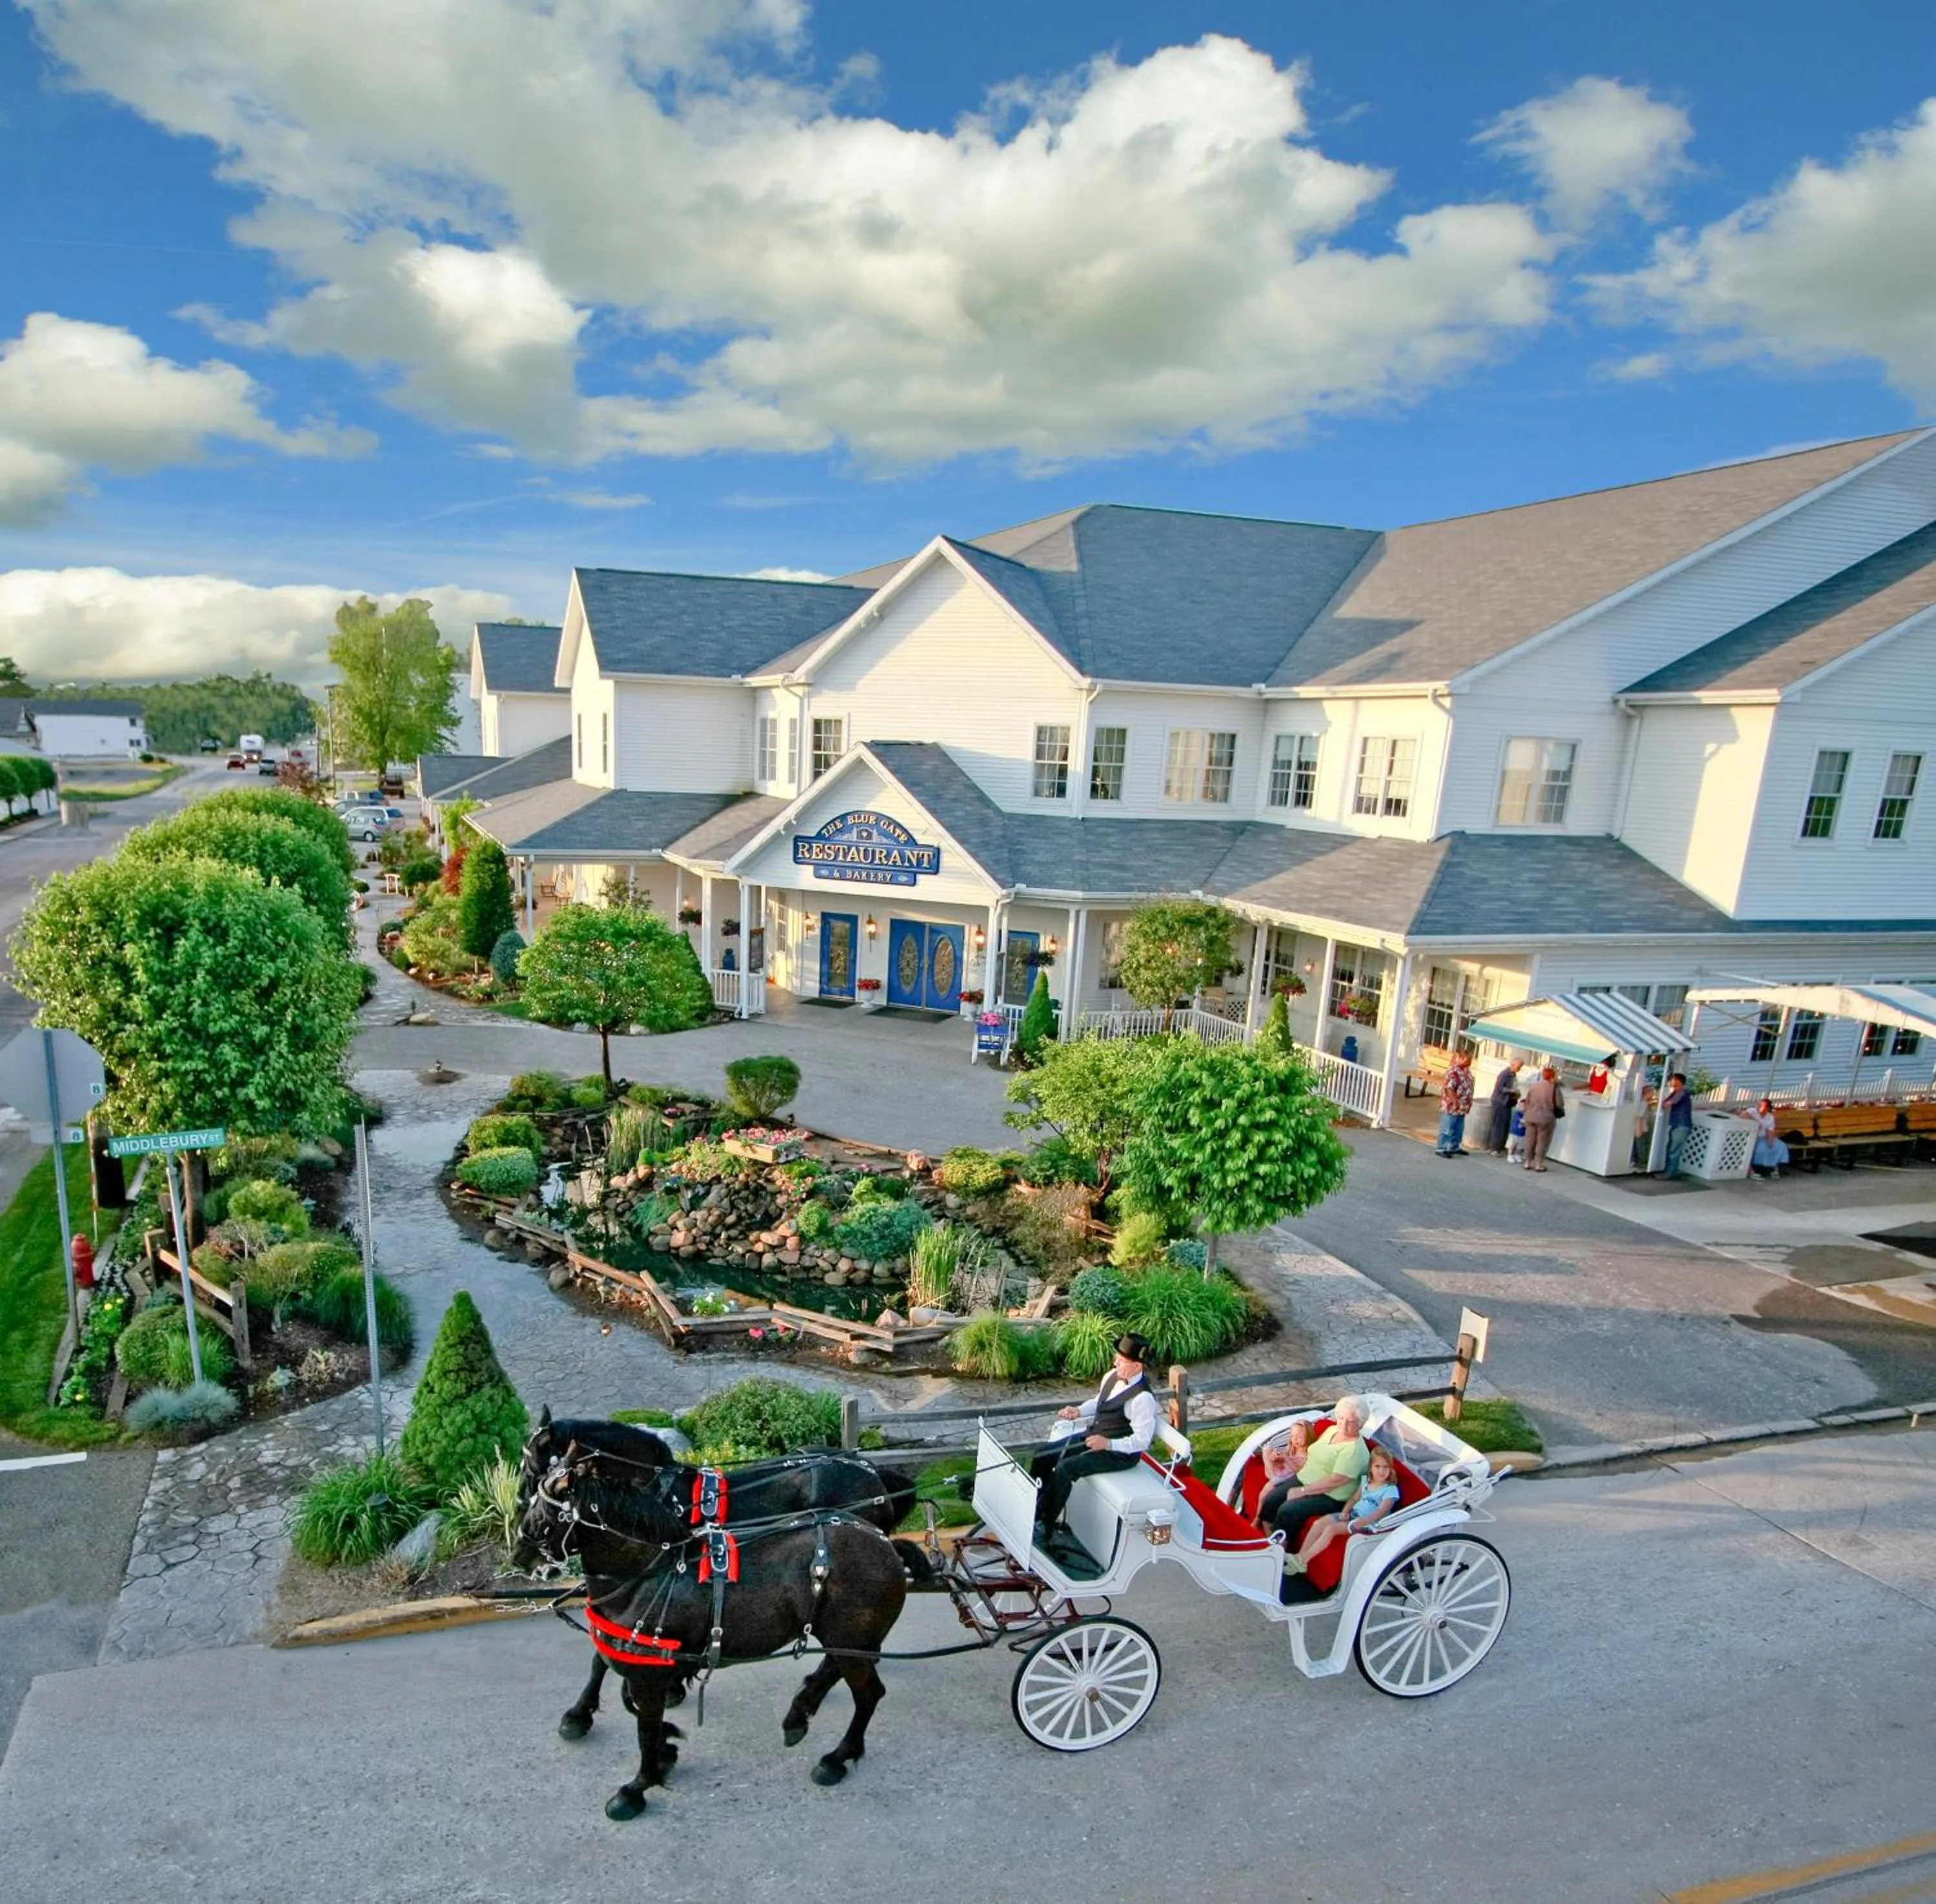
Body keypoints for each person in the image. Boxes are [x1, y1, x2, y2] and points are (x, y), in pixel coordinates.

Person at [1030, 1333, 1156, 1542]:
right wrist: (1078, 1411)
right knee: (1042, 1455)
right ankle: (1034, 1505)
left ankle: (1045, 1525)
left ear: (1137, 1366)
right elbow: (1099, 1402)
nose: (1115, 1363)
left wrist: (1108, 1444)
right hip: (1095, 1436)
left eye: (1121, 1361)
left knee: (1066, 1469)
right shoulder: (1112, 1376)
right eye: (1117, 1358)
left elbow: (1142, 1441)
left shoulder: (1143, 1399)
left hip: (1119, 1454)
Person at [1256, 1394, 1370, 1548]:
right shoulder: (1332, 1430)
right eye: (1341, 1418)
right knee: (1272, 1499)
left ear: (1361, 1424)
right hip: (1304, 1477)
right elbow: (1314, 1451)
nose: (1343, 1425)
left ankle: (1279, 1550)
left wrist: (1302, 1491)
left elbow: (1336, 1480)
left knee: (1288, 1510)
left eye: (1350, 1422)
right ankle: (1269, 1541)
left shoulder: (1355, 1450)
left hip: (1331, 1496)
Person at [1284, 1444, 1402, 1578]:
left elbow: (1381, 1511)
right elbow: (1354, 1499)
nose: (1381, 1471)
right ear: (1371, 1468)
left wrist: (1363, 1521)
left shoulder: (1390, 1490)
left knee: (1331, 1529)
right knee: (1319, 1524)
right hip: (1353, 1515)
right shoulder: (1366, 1481)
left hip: (1368, 1524)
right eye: (1377, 1466)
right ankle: (1300, 1559)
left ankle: (1302, 1559)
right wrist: (1345, 1511)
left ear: (1391, 1469)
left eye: (1386, 1467)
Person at [1521, 1064, 1564, 1173]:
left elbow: (1527, 1100)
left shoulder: (1534, 1086)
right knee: (1542, 1142)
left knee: (1530, 1140)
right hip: (1545, 1118)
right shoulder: (1554, 1088)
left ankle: (1527, 1162)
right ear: (1553, 1076)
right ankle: (1539, 1164)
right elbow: (1559, 1104)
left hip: (1531, 1117)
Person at [1436, 1048, 1475, 1157]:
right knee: (1448, 1127)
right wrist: (1455, 1101)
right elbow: (1450, 1088)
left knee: (1458, 1128)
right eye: (1468, 1060)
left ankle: (1454, 1146)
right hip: (1452, 1106)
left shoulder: (1466, 1070)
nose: (1470, 1062)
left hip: (1463, 1106)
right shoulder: (1454, 1071)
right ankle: (1441, 1148)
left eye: (1470, 1060)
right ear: (1461, 1059)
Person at [1259, 1419, 1313, 1488]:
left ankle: (1275, 1480)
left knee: (1269, 1486)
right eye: (1292, 1436)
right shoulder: (1292, 1447)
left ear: (1309, 1436)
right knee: (1267, 1449)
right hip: (1280, 1471)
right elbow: (1284, 1455)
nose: (1295, 1439)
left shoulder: (1308, 1453)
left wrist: (1285, 1458)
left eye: (1299, 1437)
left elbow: (1299, 1471)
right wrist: (1277, 1457)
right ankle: (1274, 1478)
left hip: (1289, 1476)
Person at [1748, 1097, 1790, 1179]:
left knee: (1779, 1145)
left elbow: (1770, 1130)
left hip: (1764, 1136)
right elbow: (1743, 1114)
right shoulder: (1752, 1111)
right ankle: (1753, 1169)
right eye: (1759, 1105)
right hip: (1753, 1136)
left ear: (1767, 1108)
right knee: (1760, 1147)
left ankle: (1774, 1168)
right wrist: (1755, 1121)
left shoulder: (1770, 1116)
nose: (1759, 1107)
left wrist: (1770, 1141)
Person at [1661, 1072, 1695, 1177]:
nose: (1670, 1082)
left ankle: (1669, 1173)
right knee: (1672, 1148)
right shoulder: (1677, 1092)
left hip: (1682, 1125)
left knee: (1674, 1150)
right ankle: (1671, 1171)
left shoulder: (1681, 1092)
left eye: (1672, 1080)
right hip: (1677, 1124)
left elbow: (1669, 1103)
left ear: (1678, 1081)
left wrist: (1663, 1103)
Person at [1486, 1058, 1521, 1155]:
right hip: (1500, 1102)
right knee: (1499, 1125)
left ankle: (1500, 1146)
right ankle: (1494, 1148)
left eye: (1520, 1067)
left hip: (1507, 1103)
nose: (1519, 1069)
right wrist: (1512, 1091)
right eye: (1518, 1067)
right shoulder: (1504, 1074)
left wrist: (1516, 1094)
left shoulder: (1513, 1075)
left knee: (1505, 1125)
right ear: (1512, 1065)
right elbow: (1499, 1088)